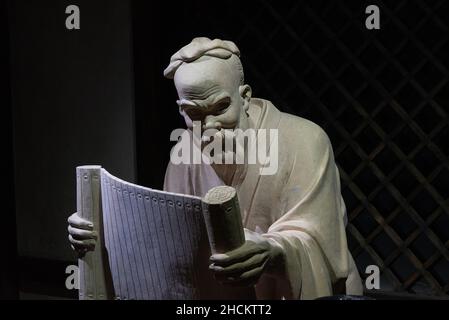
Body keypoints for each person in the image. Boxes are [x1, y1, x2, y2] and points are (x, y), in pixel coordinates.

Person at [68, 37, 363, 299]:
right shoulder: (183, 155)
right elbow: (170, 244)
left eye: (220, 108)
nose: (208, 127)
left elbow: (321, 241)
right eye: (193, 113)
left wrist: (273, 253)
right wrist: (101, 236)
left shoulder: (304, 141)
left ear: (244, 96)